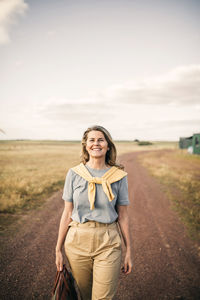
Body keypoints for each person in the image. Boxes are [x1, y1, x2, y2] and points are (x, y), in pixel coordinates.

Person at [55, 125, 132, 300]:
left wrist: (129, 250)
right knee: (84, 295)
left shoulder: (118, 176)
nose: (96, 143)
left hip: (108, 242)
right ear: (85, 145)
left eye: (100, 140)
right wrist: (58, 248)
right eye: (92, 140)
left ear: (108, 145)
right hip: (77, 241)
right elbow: (67, 212)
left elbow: (123, 215)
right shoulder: (74, 174)